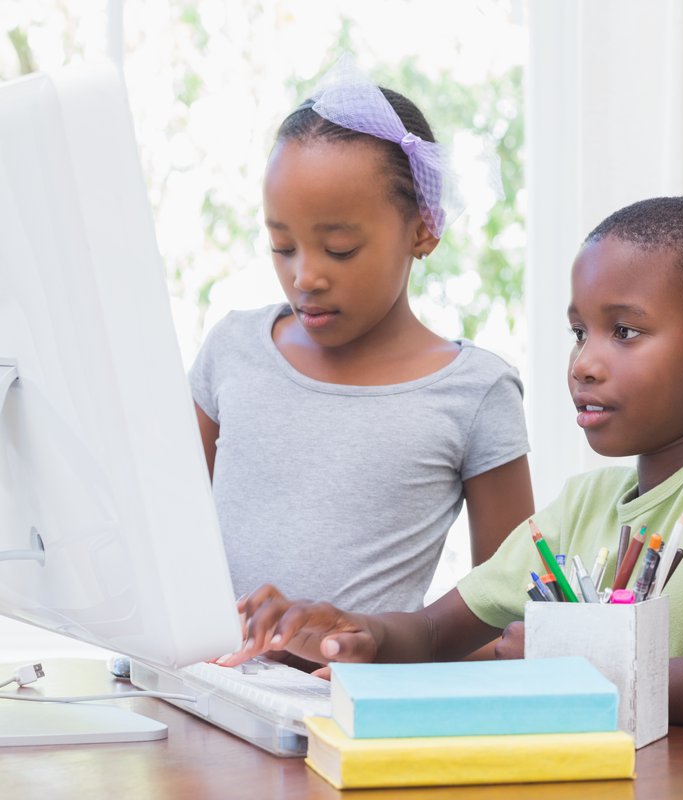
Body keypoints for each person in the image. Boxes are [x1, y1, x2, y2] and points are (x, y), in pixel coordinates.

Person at [226, 196, 683, 732]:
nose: (584, 364)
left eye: (624, 331)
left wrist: (570, 670)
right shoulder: (583, 507)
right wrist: (356, 634)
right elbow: (435, 634)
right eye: (578, 332)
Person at [190, 62, 534, 616]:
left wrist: (375, 648)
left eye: (341, 248)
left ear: (423, 227)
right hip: (206, 684)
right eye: (282, 246)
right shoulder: (233, 349)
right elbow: (164, 536)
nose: (305, 276)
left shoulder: (476, 392)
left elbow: (509, 618)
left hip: (351, 701)